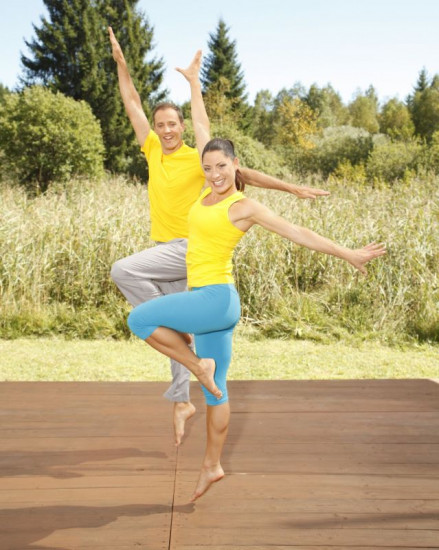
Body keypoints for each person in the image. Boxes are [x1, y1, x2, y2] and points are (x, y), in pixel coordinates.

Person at [126, 52, 386, 502]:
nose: (214, 173)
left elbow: (297, 232)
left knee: (140, 320)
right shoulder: (206, 193)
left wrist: (346, 253)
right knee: (217, 393)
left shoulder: (242, 205)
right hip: (216, 307)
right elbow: (202, 126)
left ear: (236, 166)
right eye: (208, 168)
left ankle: (196, 367)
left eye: (222, 167)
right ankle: (212, 465)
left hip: (214, 299)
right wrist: (194, 84)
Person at [107, 28, 331, 446]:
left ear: (180, 127)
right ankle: (182, 400)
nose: (167, 130)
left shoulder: (199, 158)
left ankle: (173, 339)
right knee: (173, 332)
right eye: (161, 125)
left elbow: (240, 168)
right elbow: (132, 104)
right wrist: (121, 65)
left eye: (172, 124)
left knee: (124, 272)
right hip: (168, 253)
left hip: (190, 248)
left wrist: (290, 187)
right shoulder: (151, 148)